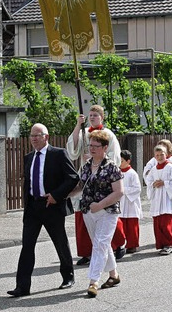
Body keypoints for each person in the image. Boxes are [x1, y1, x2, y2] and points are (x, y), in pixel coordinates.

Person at [8, 124, 79, 297]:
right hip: (33, 207)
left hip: (51, 206)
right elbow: (28, 183)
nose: (33, 139)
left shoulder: (58, 154)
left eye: (37, 135)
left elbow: (72, 177)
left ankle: (68, 276)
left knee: (60, 242)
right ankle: (22, 286)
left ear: (46, 137)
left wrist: (56, 195)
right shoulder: (29, 157)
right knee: (27, 246)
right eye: (31, 136)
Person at [67, 105, 125, 266]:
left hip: (102, 178)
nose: (92, 117)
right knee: (83, 213)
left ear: (102, 117)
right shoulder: (84, 133)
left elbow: (115, 157)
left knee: (106, 213)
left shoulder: (108, 135)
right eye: (90, 115)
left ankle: (118, 244)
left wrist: (97, 158)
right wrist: (78, 125)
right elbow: (73, 150)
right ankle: (86, 251)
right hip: (86, 174)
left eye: (95, 115)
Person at [73, 130, 124, 298]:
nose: (92, 149)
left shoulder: (112, 167)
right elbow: (80, 186)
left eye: (96, 146)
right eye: (90, 145)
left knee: (100, 243)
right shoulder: (86, 166)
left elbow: (119, 192)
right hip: (88, 211)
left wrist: (100, 204)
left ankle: (93, 281)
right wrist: (61, 195)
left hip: (107, 212)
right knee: (101, 243)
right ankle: (114, 275)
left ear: (105, 147)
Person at [144, 145, 172, 255]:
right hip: (157, 198)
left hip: (167, 198)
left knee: (166, 223)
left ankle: (169, 244)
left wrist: (165, 183)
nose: (159, 157)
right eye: (157, 155)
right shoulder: (154, 169)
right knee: (158, 223)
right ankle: (161, 244)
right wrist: (153, 184)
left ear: (166, 155)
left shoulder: (171, 167)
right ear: (154, 156)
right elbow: (149, 181)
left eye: (162, 155)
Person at [119, 150, 142, 254]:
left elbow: (137, 189)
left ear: (128, 161)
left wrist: (123, 190)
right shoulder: (117, 172)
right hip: (120, 202)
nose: (119, 162)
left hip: (130, 203)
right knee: (121, 224)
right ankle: (120, 245)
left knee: (131, 225)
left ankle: (133, 245)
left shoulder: (132, 173)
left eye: (122, 160)